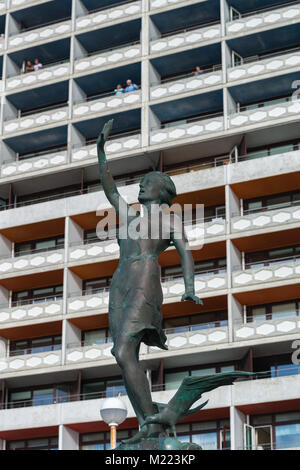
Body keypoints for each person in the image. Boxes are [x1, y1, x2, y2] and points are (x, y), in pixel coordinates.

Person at [97, 119, 202, 444]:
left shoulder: (170, 220)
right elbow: (110, 189)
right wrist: (101, 152)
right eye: (141, 182)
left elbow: (186, 253)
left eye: (147, 182)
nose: (141, 187)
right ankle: (148, 423)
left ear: (163, 191)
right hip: (120, 282)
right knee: (122, 355)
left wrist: (189, 287)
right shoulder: (129, 216)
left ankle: (151, 423)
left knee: (124, 350)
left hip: (145, 277)